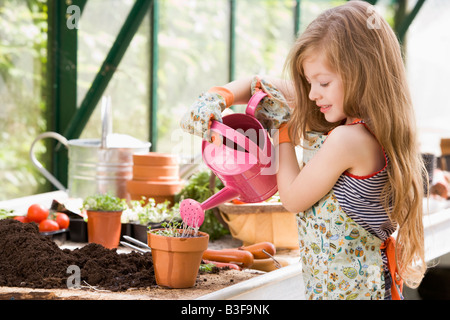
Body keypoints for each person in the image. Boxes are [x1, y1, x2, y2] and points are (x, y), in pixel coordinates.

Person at [180, 0, 427, 300]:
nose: (311, 94)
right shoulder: (365, 122)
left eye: (322, 82)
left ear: (362, 72)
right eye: (309, 82)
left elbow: (294, 197)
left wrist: (283, 129)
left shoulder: (349, 140)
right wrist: (219, 96)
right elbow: (261, 85)